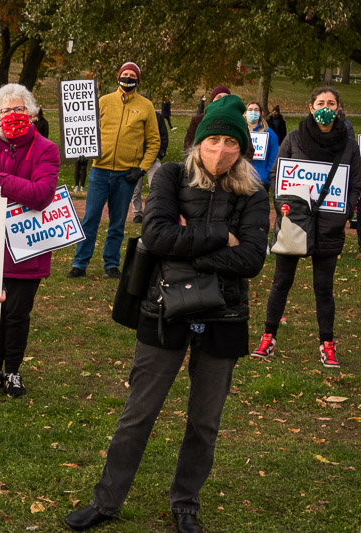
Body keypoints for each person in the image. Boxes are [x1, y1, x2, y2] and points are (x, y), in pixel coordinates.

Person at [64, 94, 269, 533]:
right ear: (198, 142)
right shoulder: (172, 177)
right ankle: (106, 502)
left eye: (231, 143)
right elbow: (155, 237)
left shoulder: (253, 192)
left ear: (242, 148)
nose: (221, 150)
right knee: (138, 413)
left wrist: (189, 244)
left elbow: (252, 259)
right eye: (213, 140)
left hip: (225, 316)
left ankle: (185, 503)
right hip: (163, 310)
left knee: (205, 422)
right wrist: (221, 237)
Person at [251, 87, 361, 368]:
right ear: (311, 108)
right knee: (281, 282)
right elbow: (277, 175)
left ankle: (327, 344)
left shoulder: (349, 145)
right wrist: (284, 206)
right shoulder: (294, 138)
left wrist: (345, 211)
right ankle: (268, 336)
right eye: (320, 102)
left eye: (331, 103)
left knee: (324, 288)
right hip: (295, 222)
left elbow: (356, 183)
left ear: (339, 108)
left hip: (329, 226)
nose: (326, 107)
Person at [0, 83, 59, 398]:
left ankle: (14, 371)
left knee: (18, 313)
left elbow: (42, 195)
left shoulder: (46, 149)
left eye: (18, 109)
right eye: (5, 110)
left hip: (28, 248)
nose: (12, 115)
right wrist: (14, 186)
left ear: (31, 113)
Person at [67, 62, 160, 280]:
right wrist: (82, 151)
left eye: (132, 75)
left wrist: (141, 168)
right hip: (100, 171)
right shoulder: (103, 101)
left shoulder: (146, 106)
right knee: (90, 218)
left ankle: (111, 264)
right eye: (124, 74)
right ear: (118, 77)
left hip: (126, 174)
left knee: (117, 222)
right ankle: (80, 263)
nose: (128, 78)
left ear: (137, 80)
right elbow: (87, 129)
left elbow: (154, 141)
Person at [131, 101, 168, 223]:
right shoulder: (132, 115)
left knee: (156, 187)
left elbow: (163, 137)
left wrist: (160, 155)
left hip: (153, 159)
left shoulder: (158, 118)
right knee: (135, 190)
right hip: (136, 160)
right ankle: (137, 213)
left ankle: (154, 213)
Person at [183, 85, 231, 153]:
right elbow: (188, 145)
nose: (222, 100)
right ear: (212, 101)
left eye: (226, 98)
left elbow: (247, 148)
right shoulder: (198, 120)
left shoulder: (237, 120)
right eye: (219, 97)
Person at [245, 101, 278, 191]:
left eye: (256, 110)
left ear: (260, 113)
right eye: (250, 110)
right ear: (245, 113)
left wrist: (265, 175)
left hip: (261, 182)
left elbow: (273, 158)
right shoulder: (239, 132)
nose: (253, 112)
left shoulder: (270, 134)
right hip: (241, 180)